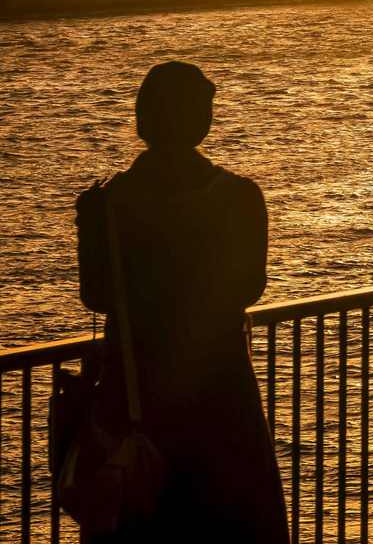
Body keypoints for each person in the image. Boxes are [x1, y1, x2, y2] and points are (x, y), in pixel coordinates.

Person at [75, 62, 288, 542]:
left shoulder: (106, 204)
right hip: (222, 390)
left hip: (139, 391)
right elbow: (249, 288)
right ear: (200, 120)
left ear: (144, 118)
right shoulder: (239, 198)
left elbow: (97, 296)